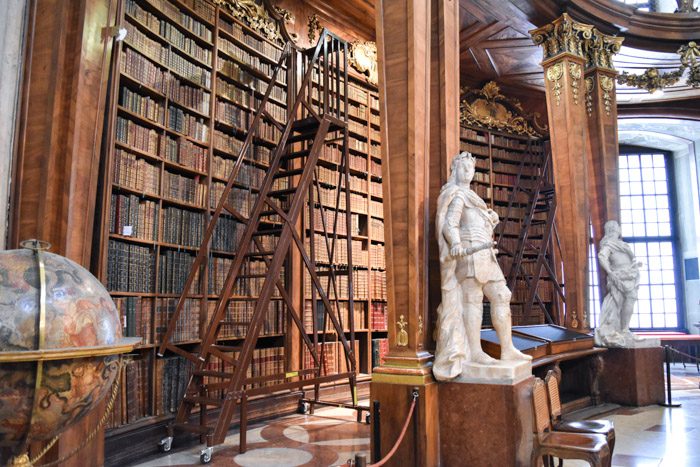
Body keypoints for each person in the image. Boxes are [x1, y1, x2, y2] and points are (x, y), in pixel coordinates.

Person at [433, 152, 531, 382]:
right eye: (464, 168)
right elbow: (450, 224)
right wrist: (456, 243)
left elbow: (478, 223)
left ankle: (507, 348)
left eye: (471, 168)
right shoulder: (456, 196)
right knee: (473, 300)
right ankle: (475, 352)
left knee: (502, 295)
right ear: (455, 170)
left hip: (486, 253)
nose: (468, 172)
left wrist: (490, 218)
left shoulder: (473, 197)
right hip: (469, 254)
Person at [595, 220, 644, 347]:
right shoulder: (608, 245)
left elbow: (631, 259)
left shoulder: (624, 245)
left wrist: (635, 265)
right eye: (616, 228)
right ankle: (615, 330)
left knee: (631, 299)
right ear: (611, 230)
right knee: (617, 302)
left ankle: (625, 329)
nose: (618, 230)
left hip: (630, 275)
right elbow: (602, 257)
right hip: (618, 277)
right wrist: (610, 272)